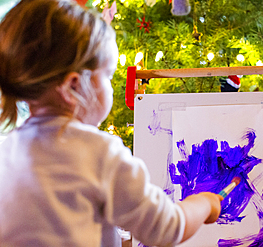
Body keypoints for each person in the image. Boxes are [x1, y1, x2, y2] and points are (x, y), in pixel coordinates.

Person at [0, 0, 223, 246]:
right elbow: (165, 228)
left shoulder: (6, 151)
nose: (110, 85)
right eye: (107, 75)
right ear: (74, 86)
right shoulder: (100, 153)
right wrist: (205, 203)